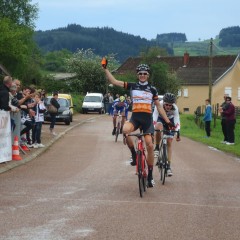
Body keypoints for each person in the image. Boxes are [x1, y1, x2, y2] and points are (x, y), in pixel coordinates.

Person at [103, 62, 173, 188]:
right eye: (140, 73)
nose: (142, 75)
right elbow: (114, 81)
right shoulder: (132, 86)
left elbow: (158, 106)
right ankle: (134, 155)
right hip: (135, 118)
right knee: (125, 130)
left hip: (147, 120)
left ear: (148, 75)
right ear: (137, 75)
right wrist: (105, 69)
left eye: (145, 74)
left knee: (150, 146)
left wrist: (168, 121)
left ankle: (150, 175)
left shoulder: (153, 89)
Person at [153, 93, 180, 177]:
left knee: (169, 142)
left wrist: (178, 132)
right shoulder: (159, 105)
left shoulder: (175, 109)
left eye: (170, 105)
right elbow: (154, 117)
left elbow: (177, 121)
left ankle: (168, 166)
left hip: (170, 121)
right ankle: (157, 147)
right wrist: (154, 127)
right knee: (157, 127)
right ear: (163, 103)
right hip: (160, 119)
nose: (168, 107)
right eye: (166, 105)